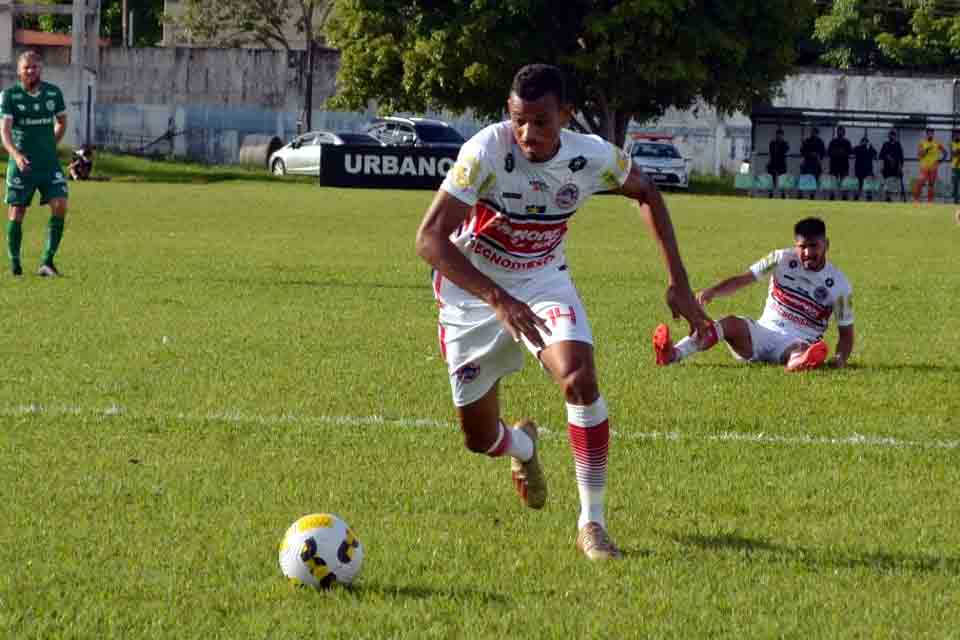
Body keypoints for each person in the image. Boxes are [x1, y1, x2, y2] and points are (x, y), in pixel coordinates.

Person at [415, 64, 709, 561]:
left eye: (542, 122)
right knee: (478, 438)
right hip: (472, 291)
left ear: (566, 116)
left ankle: (591, 523)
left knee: (579, 380)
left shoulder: (590, 156)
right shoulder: (486, 150)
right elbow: (428, 239)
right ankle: (523, 449)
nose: (528, 133)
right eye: (518, 120)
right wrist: (496, 299)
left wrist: (678, 282)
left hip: (543, 278)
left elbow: (647, 192)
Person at [653, 217, 854, 372]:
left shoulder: (840, 285)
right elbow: (743, 279)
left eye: (814, 246)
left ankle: (800, 361)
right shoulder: (779, 259)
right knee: (728, 323)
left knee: (799, 348)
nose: (808, 253)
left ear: (826, 244)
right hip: (761, 333)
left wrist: (839, 359)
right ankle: (673, 354)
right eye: (802, 247)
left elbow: (846, 335)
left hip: (798, 339)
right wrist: (712, 291)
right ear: (795, 246)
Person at [1, 50, 69, 277]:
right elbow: (5, 131)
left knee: (60, 204)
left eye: (35, 67)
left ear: (41, 69)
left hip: (48, 164)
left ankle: (47, 262)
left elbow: (61, 122)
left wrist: (52, 143)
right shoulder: (9, 96)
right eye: (26, 67)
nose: (31, 71)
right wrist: (16, 155)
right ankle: (15, 265)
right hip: (23, 164)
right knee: (17, 210)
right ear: (19, 71)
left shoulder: (53, 93)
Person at [913, 128, 945, 204]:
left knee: (931, 184)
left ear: (933, 134)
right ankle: (916, 200)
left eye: (931, 133)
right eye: (929, 133)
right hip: (924, 167)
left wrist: (941, 160)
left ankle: (930, 201)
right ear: (926, 134)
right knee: (920, 182)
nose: (930, 135)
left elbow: (945, 152)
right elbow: (919, 155)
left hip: (933, 167)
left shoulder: (937, 143)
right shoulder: (922, 143)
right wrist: (926, 150)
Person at [879, 129, 905, 202]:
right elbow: (881, 156)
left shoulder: (898, 144)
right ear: (888, 135)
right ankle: (887, 197)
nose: (892, 136)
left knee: (895, 183)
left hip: (896, 168)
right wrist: (881, 166)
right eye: (890, 134)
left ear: (895, 136)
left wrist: (900, 167)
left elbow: (901, 157)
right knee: (887, 183)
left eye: (893, 135)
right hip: (887, 168)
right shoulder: (885, 144)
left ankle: (895, 198)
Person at [767, 129, 789, 194]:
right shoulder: (772, 143)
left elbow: (785, 151)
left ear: (783, 136)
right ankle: (771, 194)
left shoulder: (785, 143)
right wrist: (768, 162)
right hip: (773, 163)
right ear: (776, 135)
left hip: (782, 164)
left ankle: (783, 194)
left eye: (781, 135)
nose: (779, 136)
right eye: (778, 135)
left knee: (782, 180)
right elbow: (771, 153)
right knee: (772, 181)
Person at [951, 130, 960, 204]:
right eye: (955, 135)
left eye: (958, 134)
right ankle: (955, 201)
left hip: (958, 166)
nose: (957, 136)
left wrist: (957, 152)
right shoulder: (952, 143)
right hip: (955, 167)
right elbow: (953, 154)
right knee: (955, 184)